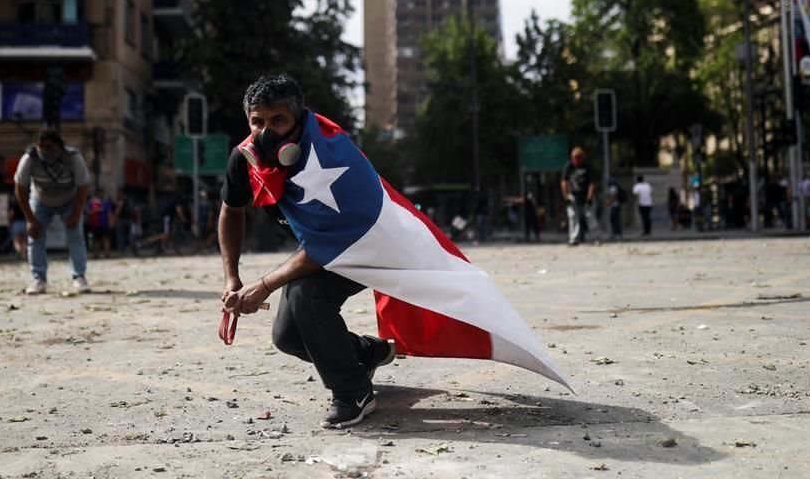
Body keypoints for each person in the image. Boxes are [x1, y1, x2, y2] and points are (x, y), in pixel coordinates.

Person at [219, 74, 568, 429]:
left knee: (307, 298)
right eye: (257, 122)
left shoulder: (333, 157)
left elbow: (326, 246)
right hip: (324, 246)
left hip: (373, 244)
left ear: (298, 118)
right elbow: (231, 210)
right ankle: (366, 353)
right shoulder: (245, 159)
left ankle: (352, 392)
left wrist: (263, 284)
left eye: (278, 121)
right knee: (287, 337)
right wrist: (232, 278)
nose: (266, 133)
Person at [14, 127, 91, 294]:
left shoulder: (73, 157)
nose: (45, 151)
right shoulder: (29, 159)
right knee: (35, 236)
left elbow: (83, 187)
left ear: (59, 146)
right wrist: (30, 219)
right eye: (42, 147)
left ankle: (79, 276)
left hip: (69, 200)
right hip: (40, 200)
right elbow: (20, 188)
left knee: (75, 235)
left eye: (49, 147)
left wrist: (76, 214)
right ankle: (38, 279)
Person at [560, 147, 596, 246]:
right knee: (572, 217)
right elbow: (564, 182)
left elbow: (591, 183)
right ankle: (573, 239)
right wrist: (566, 196)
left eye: (579, 157)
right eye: (574, 157)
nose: (576, 159)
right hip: (572, 195)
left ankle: (595, 238)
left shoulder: (587, 166)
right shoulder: (569, 166)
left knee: (590, 216)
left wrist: (589, 197)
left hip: (585, 195)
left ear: (583, 157)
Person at [87, 188, 113, 259]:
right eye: (99, 193)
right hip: (96, 224)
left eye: (101, 193)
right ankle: (96, 254)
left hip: (104, 223)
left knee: (106, 239)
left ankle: (107, 254)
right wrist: (95, 210)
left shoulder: (106, 202)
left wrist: (110, 222)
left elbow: (109, 213)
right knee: (97, 240)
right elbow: (88, 212)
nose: (101, 195)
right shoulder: (92, 202)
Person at [111, 188, 133, 253]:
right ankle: (130, 249)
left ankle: (122, 250)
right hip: (128, 220)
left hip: (121, 220)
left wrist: (114, 220)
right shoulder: (129, 200)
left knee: (120, 235)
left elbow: (118, 211)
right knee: (128, 235)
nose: (117, 194)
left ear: (121, 193)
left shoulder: (121, 200)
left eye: (118, 192)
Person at [7, 191, 28, 260]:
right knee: (24, 240)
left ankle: (19, 252)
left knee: (17, 241)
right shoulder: (25, 201)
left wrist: (9, 222)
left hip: (16, 223)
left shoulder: (14, 203)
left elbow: (11, 214)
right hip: (25, 222)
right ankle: (24, 253)